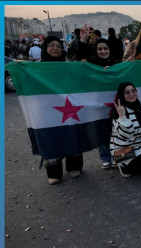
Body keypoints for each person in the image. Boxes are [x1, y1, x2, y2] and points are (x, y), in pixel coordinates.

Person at [41, 36, 83, 184]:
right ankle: (54, 172)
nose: (56, 48)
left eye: (59, 46)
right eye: (51, 45)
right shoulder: (36, 67)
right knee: (50, 137)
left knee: (71, 134)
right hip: (47, 109)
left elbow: (79, 77)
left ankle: (74, 166)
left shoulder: (68, 65)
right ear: (45, 48)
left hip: (69, 106)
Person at [77, 37, 119, 169]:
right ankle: (105, 157)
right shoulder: (90, 64)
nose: (103, 51)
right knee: (101, 130)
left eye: (105, 48)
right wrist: (83, 41)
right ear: (95, 51)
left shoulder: (116, 63)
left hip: (114, 104)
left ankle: (118, 156)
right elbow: (79, 65)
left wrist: (113, 70)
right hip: (97, 104)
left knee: (116, 130)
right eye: (99, 49)